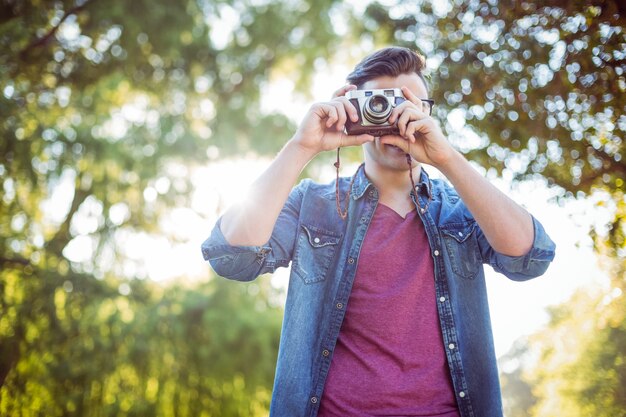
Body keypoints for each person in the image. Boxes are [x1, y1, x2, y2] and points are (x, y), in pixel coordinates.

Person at [201, 46, 556, 417]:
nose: (396, 117)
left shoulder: (464, 210)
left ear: (428, 114)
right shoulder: (313, 205)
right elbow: (231, 256)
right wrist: (301, 146)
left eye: (410, 105)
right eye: (380, 102)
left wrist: (447, 158)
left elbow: (531, 259)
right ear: (352, 108)